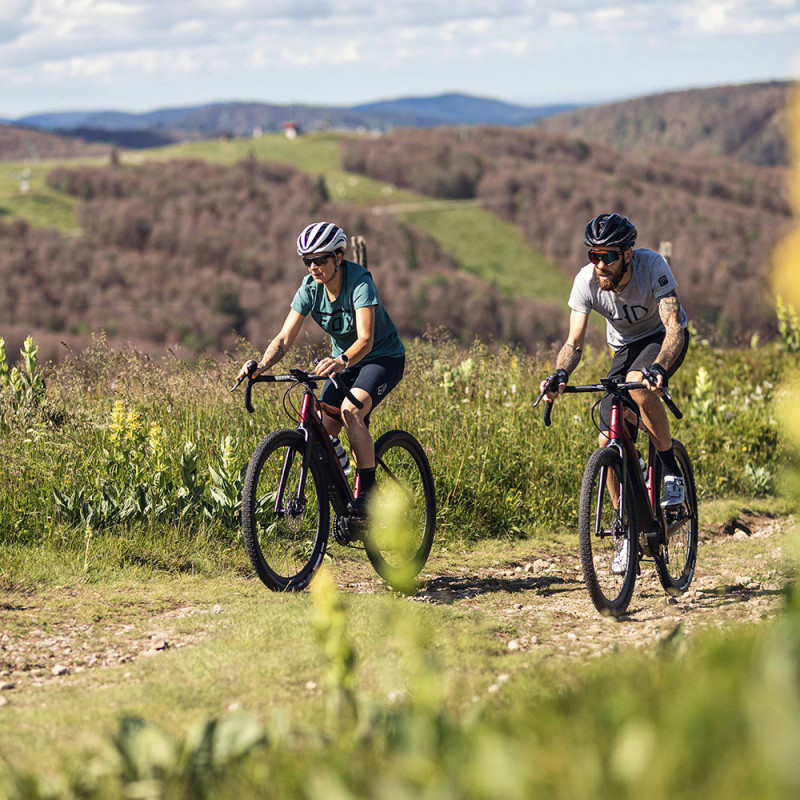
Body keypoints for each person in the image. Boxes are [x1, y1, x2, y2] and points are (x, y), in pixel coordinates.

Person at [540, 213, 689, 566]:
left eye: (608, 256)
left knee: (639, 387)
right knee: (607, 440)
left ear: (628, 254)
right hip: (623, 349)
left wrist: (659, 368)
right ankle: (626, 529)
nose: (600, 265)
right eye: (594, 256)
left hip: (662, 340)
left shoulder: (652, 265)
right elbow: (573, 342)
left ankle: (670, 470)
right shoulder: (586, 281)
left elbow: (674, 329)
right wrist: (560, 372)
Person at [236, 222, 405, 516]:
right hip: (345, 364)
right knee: (321, 433)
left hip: (381, 359)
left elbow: (366, 339)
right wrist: (260, 365)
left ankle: (367, 496)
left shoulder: (360, 281)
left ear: (338, 257)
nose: (313, 267)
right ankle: (343, 494)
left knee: (352, 412)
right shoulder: (309, 289)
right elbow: (284, 338)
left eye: (320, 260)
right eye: (307, 261)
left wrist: (340, 361)